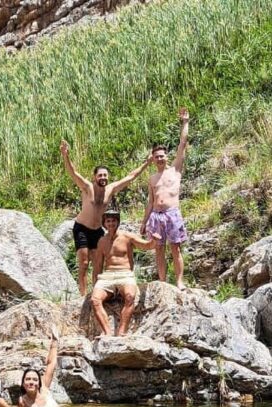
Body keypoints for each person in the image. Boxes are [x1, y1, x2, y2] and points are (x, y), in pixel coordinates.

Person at [61, 140, 153, 296]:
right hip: (82, 228)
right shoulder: (87, 187)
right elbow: (73, 173)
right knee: (84, 263)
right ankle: (82, 295)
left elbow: (131, 176)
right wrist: (65, 155)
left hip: (97, 230)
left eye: (105, 175)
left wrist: (146, 163)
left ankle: (95, 292)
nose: (103, 177)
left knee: (98, 263)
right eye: (100, 175)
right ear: (95, 176)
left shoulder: (111, 189)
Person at [140, 108, 191, 289]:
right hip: (156, 216)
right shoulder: (152, 178)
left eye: (162, 156)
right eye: (156, 157)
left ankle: (179, 281)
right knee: (158, 249)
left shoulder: (175, 170)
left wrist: (185, 122)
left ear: (166, 157)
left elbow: (182, 144)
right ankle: (162, 282)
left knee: (175, 248)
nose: (160, 159)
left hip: (172, 213)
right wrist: (144, 222)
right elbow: (150, 202)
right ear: (153, 160)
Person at [91, 206, 156, 336]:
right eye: (108, 221)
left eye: (113, 221)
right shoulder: (102, 241)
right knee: (95, 300)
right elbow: (98, 265)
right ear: (104, 223)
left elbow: (146, 245)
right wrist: (94, 285)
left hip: (125, 274)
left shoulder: (127, 237)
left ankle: (122, 332)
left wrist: (154, 240)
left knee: (130, 297)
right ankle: (107, 333)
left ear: (118, 222)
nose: (111, 223)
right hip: (107, 276)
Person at [18, 327, 61, 407]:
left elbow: (51, 364)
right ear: (23, 383)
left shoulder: (44, 388)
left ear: (39, 383)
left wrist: (54, 342)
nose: (31, 382)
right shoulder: (23, 401)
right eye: (28, 379)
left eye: (35, 379)